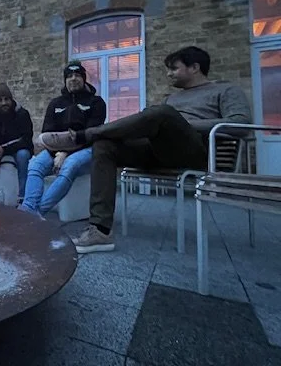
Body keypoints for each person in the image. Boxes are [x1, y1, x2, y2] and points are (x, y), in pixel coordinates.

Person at [38, 46, 252, 253]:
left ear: (195, 67)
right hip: (158, 150)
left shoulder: (225, 90)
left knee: (162, 113)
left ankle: (83, 135)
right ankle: (100, 231)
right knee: (104, 145)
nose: (169, 74)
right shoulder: (173, 98)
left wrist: (185, 124)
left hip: (194, 152)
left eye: (174, 68)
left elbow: (240, 124)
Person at [19, 61, 106, 218]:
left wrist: (65, 153)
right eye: (69, 76)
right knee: (35, 165)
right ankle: (28, 209)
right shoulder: (55, 104)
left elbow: (90, 134)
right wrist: (59, 152)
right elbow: (47, 133)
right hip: (56, 151)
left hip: (86, 149)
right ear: (65, 80)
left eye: (77, 75)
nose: (73, 79)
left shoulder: (96, 102)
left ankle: (38, 213)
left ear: (84, 78)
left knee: (69, 165)